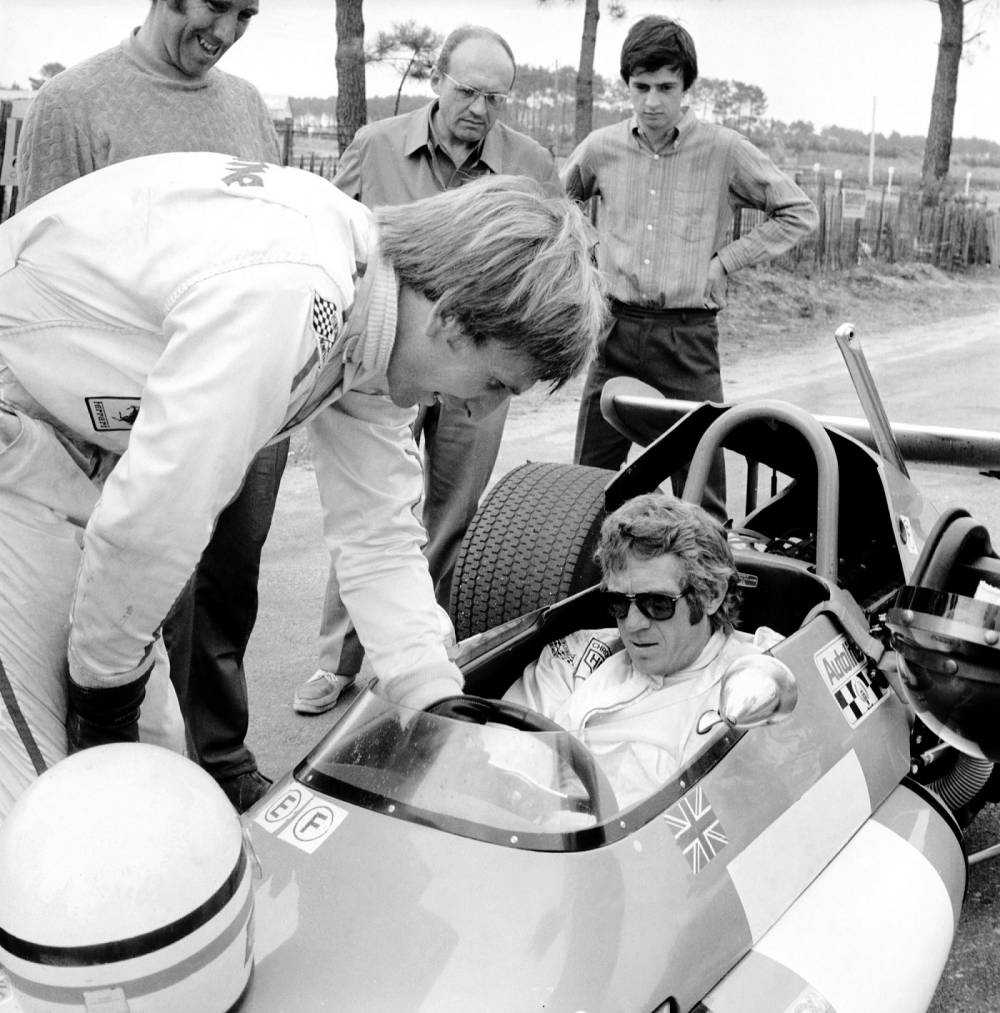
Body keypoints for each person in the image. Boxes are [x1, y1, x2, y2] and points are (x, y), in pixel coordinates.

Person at [0, 153, 606, 820]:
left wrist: (436, 697)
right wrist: (105, 694)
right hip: (21, 445)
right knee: (46, 816)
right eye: (496, 384)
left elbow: (377, 533)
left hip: (72, 459)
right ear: (454, 322)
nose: (477, 411)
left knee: (154, 791)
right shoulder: (293, 291)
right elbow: (159, 510)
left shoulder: (369, 304)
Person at [15, 0, 290, 810]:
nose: (227, 31)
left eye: (246, 14)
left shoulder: (244, 105)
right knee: (148, 602)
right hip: (132, 413)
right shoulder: (74, 103)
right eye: (214, 6)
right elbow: (41, 270)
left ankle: (223, 754)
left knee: (228, 592)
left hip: (244, 401)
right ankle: (147, 787)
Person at [294, 25, 561, 717]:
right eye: (467, 90)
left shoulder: (531, 164)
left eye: (495, 98)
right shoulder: (375, 145)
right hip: (390, 354)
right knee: (371, 498)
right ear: (437, 78)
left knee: (448, 512)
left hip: (476, 373)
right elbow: (333, 238)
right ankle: (337, 660)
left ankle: (412, 660)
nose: (479, 108)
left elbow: (549, 266)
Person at [563, 15, 817, 519]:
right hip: (613, 331)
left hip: (687, 339)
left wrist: (726, 261)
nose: (653, 101)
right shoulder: (600, 148)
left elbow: (799, 212)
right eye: (641, 87)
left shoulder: (724, 150)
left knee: (702, 493)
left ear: (686, 87)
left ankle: (705, 588)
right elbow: (559, 203)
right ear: (627, 86)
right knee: (587, 485)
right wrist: (590, 250)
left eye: (666, 87)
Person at [505, 493, 782, 809]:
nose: (633, 624)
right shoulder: (572, 660)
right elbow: (502, 764)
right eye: (619, 604)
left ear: (711, 595)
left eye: (657, 604)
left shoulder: (751, 687)